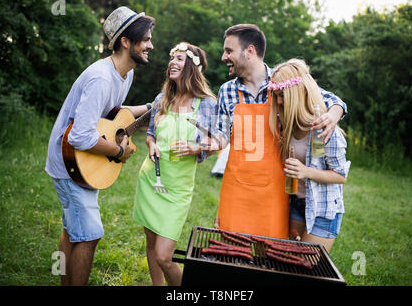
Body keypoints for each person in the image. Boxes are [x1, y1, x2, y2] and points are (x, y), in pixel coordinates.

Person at [45, 6, 155, 286]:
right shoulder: (100, 77)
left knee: (73, 229)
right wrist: (119, 151)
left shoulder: (125, 74)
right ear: (125, 41)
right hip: (70, 160)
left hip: (81, 163)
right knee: (89, 234)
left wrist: (150, 108)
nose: (150, 45)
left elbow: (110, 113)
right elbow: (80, 137)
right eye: (145, 39)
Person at [214, 24, 347, 239]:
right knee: (232, 254)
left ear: (250, 51)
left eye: (229, 50)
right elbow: (219, 134)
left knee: (272, 258)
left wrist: (334, 113)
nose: (223, 57)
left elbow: (330, 99)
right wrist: (205, 144)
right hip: (237, 189)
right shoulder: (226, 91)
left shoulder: (281, 83)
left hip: (276, 192)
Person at [133, 42, 217, 286]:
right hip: (151, 181)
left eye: (180, 58)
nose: (173, 62)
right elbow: (150, 133)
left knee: (164, 256)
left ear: (192, 66)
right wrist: (151, 144)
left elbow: (217, 142)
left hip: (178, 189)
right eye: (172, 58)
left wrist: (197, 147)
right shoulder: (163, 98)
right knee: (151, 244)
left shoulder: (206, 103)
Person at [269, 58, 351, 252]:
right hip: (296, 204)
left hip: (323, 209)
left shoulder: (325, 130)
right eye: (277, 96)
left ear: (297, 94)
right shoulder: (285, 126)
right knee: (291, 262)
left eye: (283, 95)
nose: (279, 101)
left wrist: (306, 171)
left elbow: (340, 176)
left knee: (308, 267)